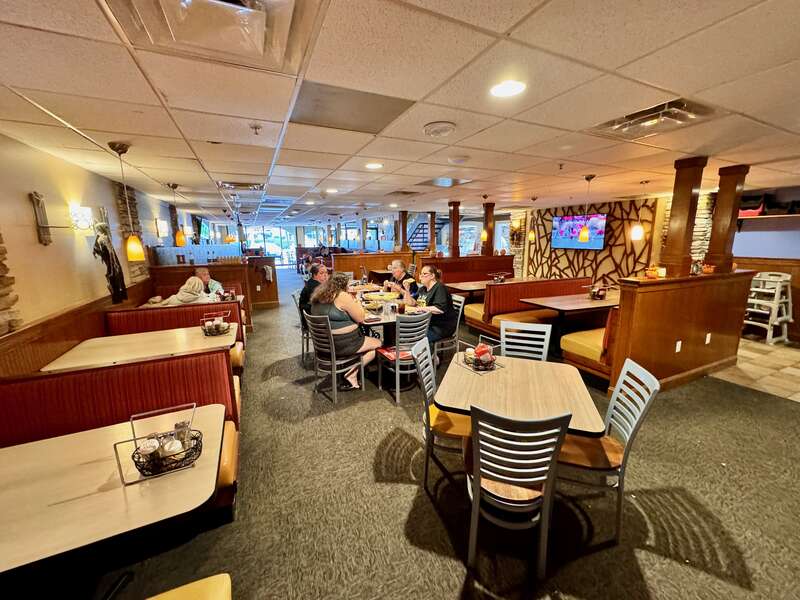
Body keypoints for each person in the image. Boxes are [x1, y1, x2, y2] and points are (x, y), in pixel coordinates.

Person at [310, 272, 381, 389]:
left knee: (365, 337)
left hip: (323, 343)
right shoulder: (342, 295)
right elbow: (361, 317)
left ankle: (350, 366)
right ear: (343, 285)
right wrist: (356, 302)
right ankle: (352, 373)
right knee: (378, 344)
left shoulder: (320, 294)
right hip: (343, 343)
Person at [399, 265, 458, 345]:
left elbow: (439, 309)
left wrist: (419, 309)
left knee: (414, 338)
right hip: (426, 324)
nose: (421, 276)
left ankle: (428, 356)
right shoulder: (423, 289)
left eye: (424, 274)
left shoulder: (439, 288)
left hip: (441, 327)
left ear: (432, 276)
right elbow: (411, 303)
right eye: (421, 274)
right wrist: (407, 290)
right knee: (402, 331)